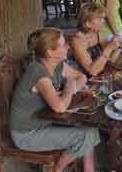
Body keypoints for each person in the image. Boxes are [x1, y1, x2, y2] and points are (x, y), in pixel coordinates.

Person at [10, 28, 100, 172]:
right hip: (27, 134)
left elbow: (80, 76)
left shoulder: (57, 64)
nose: (68, 46)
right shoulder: (38, 72)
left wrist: (72, 87)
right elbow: (59, 107)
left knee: (91, 127)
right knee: (84, 135)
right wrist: (69, 88)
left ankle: (89, 169)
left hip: (45, 122)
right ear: (50, 52)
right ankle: (57, 169)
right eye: (63, 45)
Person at [69, 3, 122, 77]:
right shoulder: (76, 40)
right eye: (100, 19)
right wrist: (109, 48)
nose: (103, 22)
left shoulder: (98, 34)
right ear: (88, 23)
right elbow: (92, 71)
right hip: (84, 81)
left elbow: (108, 60)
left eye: (103, 18)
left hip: (99, 76)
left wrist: (118, 46)